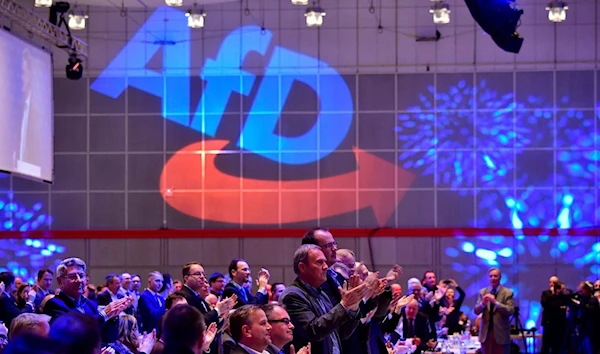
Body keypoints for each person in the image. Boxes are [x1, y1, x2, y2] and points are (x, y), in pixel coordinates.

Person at [474, 268, 514, 354]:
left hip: (500, 334)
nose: (493, 278)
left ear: (500, 277)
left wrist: (495, 303)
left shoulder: (508, 292)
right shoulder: (483, 292)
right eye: (490, 276)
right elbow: (476, 311)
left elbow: (510, 310)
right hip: (486, 334)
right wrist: (483, 304)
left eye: (495, 276)